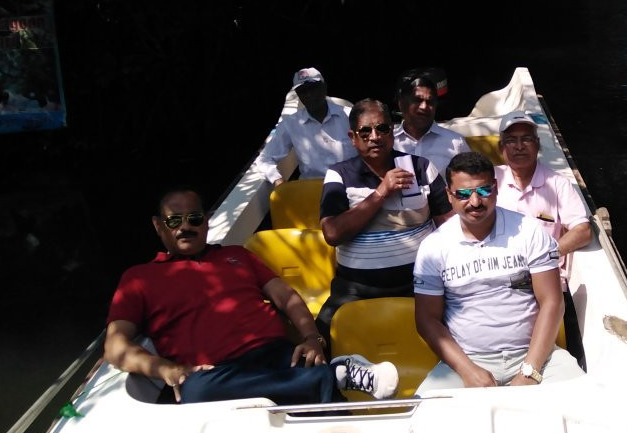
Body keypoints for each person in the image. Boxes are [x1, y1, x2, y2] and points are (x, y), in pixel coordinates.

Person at [104, 187, 398, 405]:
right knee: (194, 391)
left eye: (194, 218)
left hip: (277, 356)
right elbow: (115, 346)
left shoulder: (237, 256)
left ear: (206, 221)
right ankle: (331, 376)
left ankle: (320, 378)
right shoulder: (139, 278)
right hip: (215, 373)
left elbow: (286, 298)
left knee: (309, 367)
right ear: (158, 225)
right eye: (174, 221)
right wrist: (166, 369)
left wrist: (311, 339)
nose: (185, 227)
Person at [413, 152, 585, 392]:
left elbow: (552, 302)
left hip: (537, 357)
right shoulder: (433, 246)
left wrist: (530, 370)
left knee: (585, 399)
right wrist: (467, 370)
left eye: (483, 191)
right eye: (463, 194)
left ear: (495, 189)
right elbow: (426, 320)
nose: (474, 201)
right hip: (467, 361)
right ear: (449, 196)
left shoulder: (529, 231)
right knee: (423, 415)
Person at [317, 99, 453, 337]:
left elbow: (449, 226)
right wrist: (381, 193)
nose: (375, 137)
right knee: (322, 336)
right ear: (352, 137)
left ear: (392, 131)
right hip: (356, 288)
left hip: (420, 284)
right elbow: (333, 233)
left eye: (382, 129)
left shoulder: (420, 168)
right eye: (365, 131)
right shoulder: (339, 174)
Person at [494, 111, 592, 277]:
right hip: (498, 274)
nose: (519, 146)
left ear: (537, 144)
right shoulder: (488, 180)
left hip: (544, 275)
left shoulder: (558, 183)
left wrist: (547, 257)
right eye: (511, 140)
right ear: (500, 147)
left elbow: (583, 231)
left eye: (526, 139)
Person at [253, 68, 355, 187]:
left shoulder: (350, 115)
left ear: (324, 87)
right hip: (314, 190)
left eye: (313, 88)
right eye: (303, 91)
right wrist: (278, 181)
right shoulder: (290, 124)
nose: (309, 95)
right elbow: (264, 159)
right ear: (298, 95)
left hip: (353, 185)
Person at [392, 71, 469, 175]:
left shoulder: (456, 143)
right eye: (417, 100)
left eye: (430, 102)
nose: (424, 107)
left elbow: (470, 180)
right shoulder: (389, 142)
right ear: (401, 103)